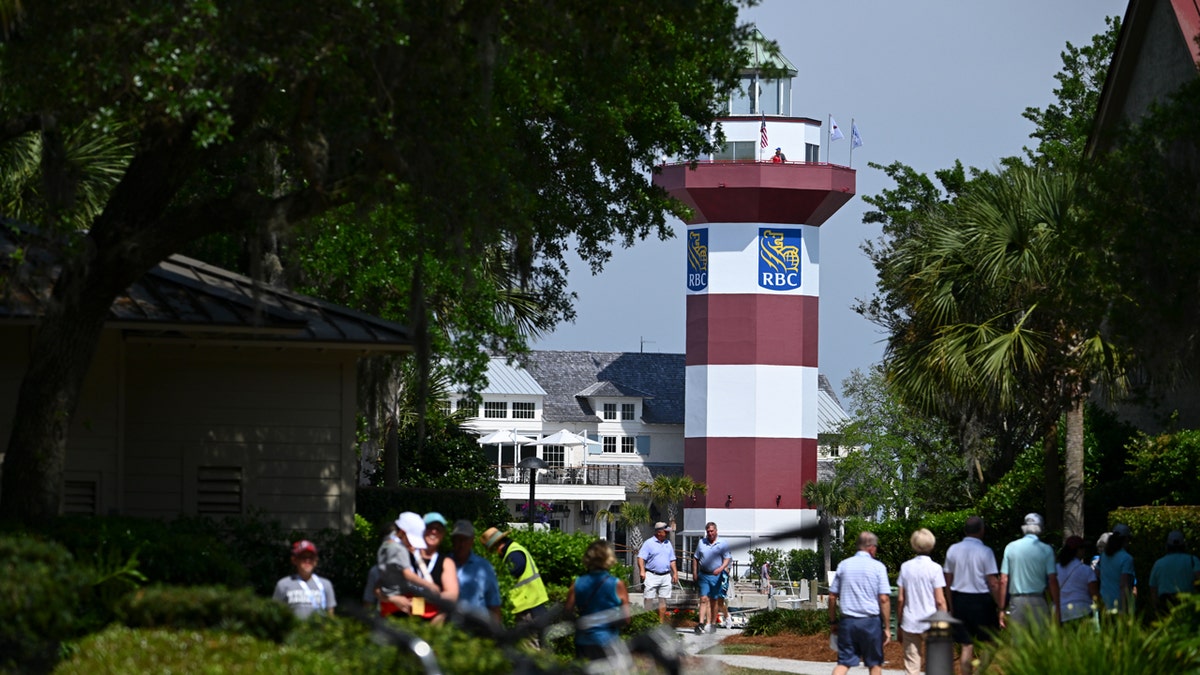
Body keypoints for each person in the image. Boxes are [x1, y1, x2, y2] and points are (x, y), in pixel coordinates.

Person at [943, 515, 1001, 675]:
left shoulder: (953, 549)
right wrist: (1000, 605)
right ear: (982, 530)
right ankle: (979, 672)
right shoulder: (985, 551)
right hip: (981, 600)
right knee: (993, 642)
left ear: (965, 530)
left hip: (960, 598)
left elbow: (947, 580)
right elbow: (993, 582)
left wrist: (951, 604)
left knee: (966, 645)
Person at [828, 531, 891, 675]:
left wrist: (832, 622)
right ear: (871, 548)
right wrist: (887, 627)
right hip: (870, 622)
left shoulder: (844, 565)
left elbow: (832, 597)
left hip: (848, 621)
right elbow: (884, 598)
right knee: (874, 664)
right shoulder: (878, 567)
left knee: (843, 663)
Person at [564, 540, 631, 661]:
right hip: (608, 642)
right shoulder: (617, 584)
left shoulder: (577, 583)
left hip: (583, 641)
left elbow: (567, 611)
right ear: (609, 558)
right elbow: (626, 619)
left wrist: (582, 622)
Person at [482, 526, 550, 639]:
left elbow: (511, 574)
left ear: (497, 546)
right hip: (534, 607)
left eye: (493, 550)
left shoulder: (513, 554)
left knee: (530, 650)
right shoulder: (514, 551)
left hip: (528, 609)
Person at [896, 528, 947, 675]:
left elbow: (900, 599)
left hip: (910, 621)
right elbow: (940, 601)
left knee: (912, 667)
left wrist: (899, 623)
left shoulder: (905, 567)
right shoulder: (935, 568)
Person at [998, 513, 1059, 629]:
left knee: (1018, 643)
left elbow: (1003, 580)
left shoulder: (1010, 547)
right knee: (1040, 643)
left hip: (1017, 601)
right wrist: (1057, 606)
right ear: (1040, 528)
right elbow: (1052, 580)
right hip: (1038, 601)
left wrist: (1001, 609)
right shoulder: (1046, 549)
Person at [376, 510, 434, 617]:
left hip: (415, 608)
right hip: (393, 610)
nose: (413, 546)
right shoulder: (397, 551)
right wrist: (393, 599)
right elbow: (378, 587)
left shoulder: (412, 555)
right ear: (401, 533)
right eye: (411, 541)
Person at [450, 519, 502, 623]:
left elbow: (494, 604)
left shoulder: (484, 567)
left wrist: (497, 633)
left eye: (465, 539)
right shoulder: (443, 563)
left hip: (477, 631)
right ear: (453, 540)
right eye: (458, 539)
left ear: (472, 541)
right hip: (449, 630)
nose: (461, 544)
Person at [411, 512, 459, 623]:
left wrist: (425, 599)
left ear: (443, 535)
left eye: (439, 529)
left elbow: (452, 595)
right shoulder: (408, 556)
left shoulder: (446, 562)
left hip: (434, 620)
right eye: (430, 527)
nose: (434, 531)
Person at [273, 540, 336, 619]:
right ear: (294, 560)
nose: (307, 561)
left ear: (316, 561)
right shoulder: (283, 584)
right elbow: (275, 614)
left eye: (311, 557)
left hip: (319, 630)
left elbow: (331, 615)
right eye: (303, 557)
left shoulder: (325, 585)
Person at [1147, 530, 1200, 615]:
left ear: (1167, 546)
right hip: (1187, 601)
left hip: (1166, 602)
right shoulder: (1192, 560)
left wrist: (1156, 609)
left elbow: (1153, 589)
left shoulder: (1159, 563)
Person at [693, 521, 731, 634]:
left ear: (716, 531)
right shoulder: (701, 543)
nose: (710, 533)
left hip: (717, 576)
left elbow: (727, 558)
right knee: (703, 599)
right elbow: (695, 557)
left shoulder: (722, 543)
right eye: (708, 531)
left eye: (712, 531)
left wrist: (721, 568)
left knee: (715, 600)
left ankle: (713, 623)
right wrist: (694, 573)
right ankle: (701, 623)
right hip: (704, 574)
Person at [636, 521, 678, 623]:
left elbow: (672, 560)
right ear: (659, 532)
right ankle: (647, 620)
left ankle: (661, 622)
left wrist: (675, 573)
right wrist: (642, 571)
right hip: (652, 574)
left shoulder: (668, 544)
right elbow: (641, 558)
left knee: (663, 599)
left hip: (666, 575)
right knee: (649, 598)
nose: (667, 534)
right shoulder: (649, 543)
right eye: (665, 532)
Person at [1055, 535, 1098, 624]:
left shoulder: (1056, 569)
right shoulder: (1086, 570)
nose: (1084, 551)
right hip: (1083, 611)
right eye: (1083, 548)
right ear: (1078, 550)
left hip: (1062, 612)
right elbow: (1094, 594)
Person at [1096, 523, 1136, 614]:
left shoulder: (1103, 556)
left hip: (1104, 605)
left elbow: (1096, 574)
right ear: (1126, 539)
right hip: (1119, 607)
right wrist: (1124, 608)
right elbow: (1124, 585)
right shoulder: (1127, 558)